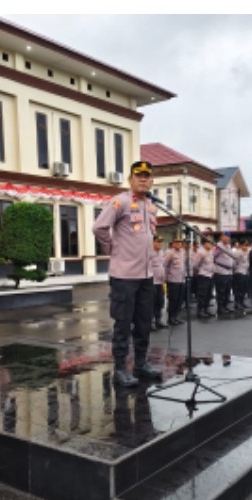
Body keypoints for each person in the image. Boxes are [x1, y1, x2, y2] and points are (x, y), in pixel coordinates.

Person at [93, 160, 163, 387]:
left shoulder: (151, 206)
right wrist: (112, 249)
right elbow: (99, 227)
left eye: (147, 176)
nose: (143, 179)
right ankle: (120, 368)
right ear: (130, 179)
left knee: (144, 323)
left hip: (146, 275)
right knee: (123, 324)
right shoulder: (119, 202)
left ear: (151, 180)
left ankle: (141, 363)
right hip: (124, 275)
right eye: (138, 175)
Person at [164, 236, 186, 326]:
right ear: (173, 244)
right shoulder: (169, 253)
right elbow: (165, 265)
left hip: (181, 279)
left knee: (179, 300)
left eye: (180, 242)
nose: (178, 244)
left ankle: (176, 316)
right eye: (176, 242)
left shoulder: (183, 252)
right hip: (173, 280)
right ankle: (171, 318)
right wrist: (166, 278)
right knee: (173, 300)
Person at [193, 238, 215, 318]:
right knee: (202, 294)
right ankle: (200, 310)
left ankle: (206, 309)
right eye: (209, 243)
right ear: (205, 244)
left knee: (208, 294)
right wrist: (199, 272)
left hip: (210, 275)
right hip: (203, 275)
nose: (211, 245)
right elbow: (195, 265)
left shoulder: (210, 251)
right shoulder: (200, 252)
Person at [213, 231, 234, 314]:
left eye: (228, 237)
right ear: (222, 237)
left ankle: (225, 306)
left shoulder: (228, 246)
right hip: (220, 272)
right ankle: (220, 308)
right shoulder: (219, 246)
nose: (227, 238)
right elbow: (213, 256)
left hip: (228, 272)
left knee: (227, 291)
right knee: (221, 291)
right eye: (225, 236)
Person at [150, 235, 168, 330]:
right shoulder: (149, 252)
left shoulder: (161, 252)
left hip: (160, 282)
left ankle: (158, 320)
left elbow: (163, 266)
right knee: (151, 303)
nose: (160, 244)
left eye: (161, 242)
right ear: (152, 242)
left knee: (160, 302)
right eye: (158, 241)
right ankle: (151, 322)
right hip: (151, 282)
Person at [232, 240, 250, 310]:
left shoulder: (247, 252)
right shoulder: (238, 253)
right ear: (241, 245)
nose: (246, 247)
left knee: (244, 288)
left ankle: (242, 302)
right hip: (239, 272)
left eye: (247, 245)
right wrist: (236, 270)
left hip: (245, 272)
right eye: (245, 245)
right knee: (238, 289)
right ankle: (237, 303)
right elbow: (234, 263)